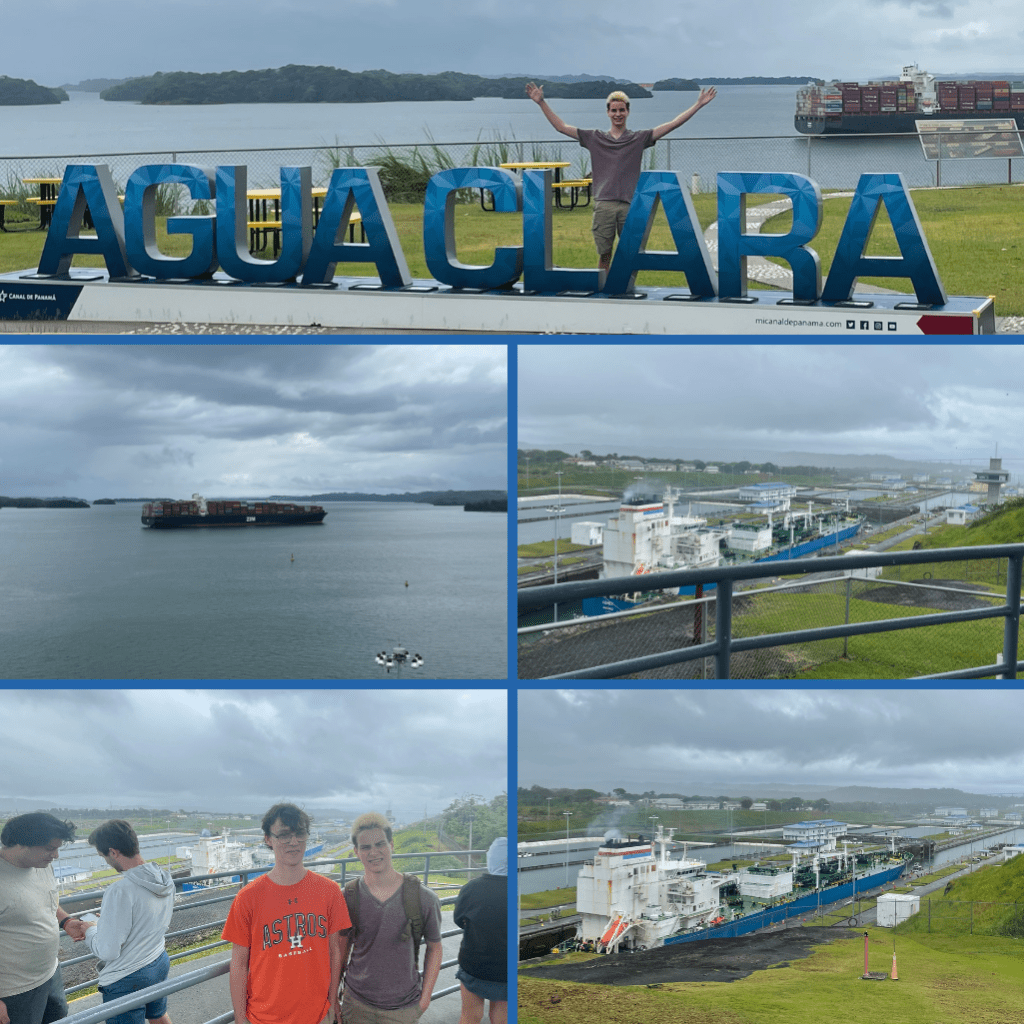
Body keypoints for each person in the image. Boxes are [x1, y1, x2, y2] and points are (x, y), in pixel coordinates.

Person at [525, 82, 717, 270]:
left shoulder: (638, 139)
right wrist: (541, 102)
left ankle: (625, 292)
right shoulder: (594, 137)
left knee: (630, 255)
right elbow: (561, 127)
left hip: (630, 205)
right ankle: (605, 292)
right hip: (604, 205)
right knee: (605, 255)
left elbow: (673, 124)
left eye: (622, 110)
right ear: (608, 112)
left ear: (628, 112)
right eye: (614, 110)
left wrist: (698, 104)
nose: (618, 114)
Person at [222, 804, 350, 1024]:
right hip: (264, 1018)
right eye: (284, 835)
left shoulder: (329, 891)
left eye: (299, 833)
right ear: (268, 839)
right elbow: (239, 965)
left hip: (318, 1015)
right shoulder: (247, 898)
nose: (294, 841)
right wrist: (241, 1019)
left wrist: (332, 1000)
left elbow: (334, 951)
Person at [340, 812, 442, 1024]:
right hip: (355, 1003)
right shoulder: (348, 896)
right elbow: (341, 948)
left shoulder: (424, 898)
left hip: (403, 1007)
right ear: (356, 852)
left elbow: (435, 947)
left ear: (392, 844)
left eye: (380, 844)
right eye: (365, 847)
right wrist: (333, 996)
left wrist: (424, 1001)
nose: (374, 852)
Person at [81, 820, 175, 1024]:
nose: (105, 861)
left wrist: (90, 931)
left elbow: (107, 951)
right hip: (158, 960)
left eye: (103, 855)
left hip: (127, 976)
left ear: (113, 852)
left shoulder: (120, 890)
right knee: (158, 1016)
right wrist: (108, 921)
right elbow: (145, 919)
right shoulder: (164, 878)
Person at [0, 812, 86, 1024]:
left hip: (50, 972)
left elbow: (47, 898)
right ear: (21, 844)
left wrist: (66, 921)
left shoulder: (41, 865)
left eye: (58, 848)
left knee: (57, 1018)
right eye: (50, 849)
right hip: (14, 989)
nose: (55, 856)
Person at [452, 838, 507, 1024]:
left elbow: (459, 919)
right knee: (501, 1018)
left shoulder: (472, 888)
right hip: (505, 969)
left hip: (474, 964)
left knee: (470, 1016)